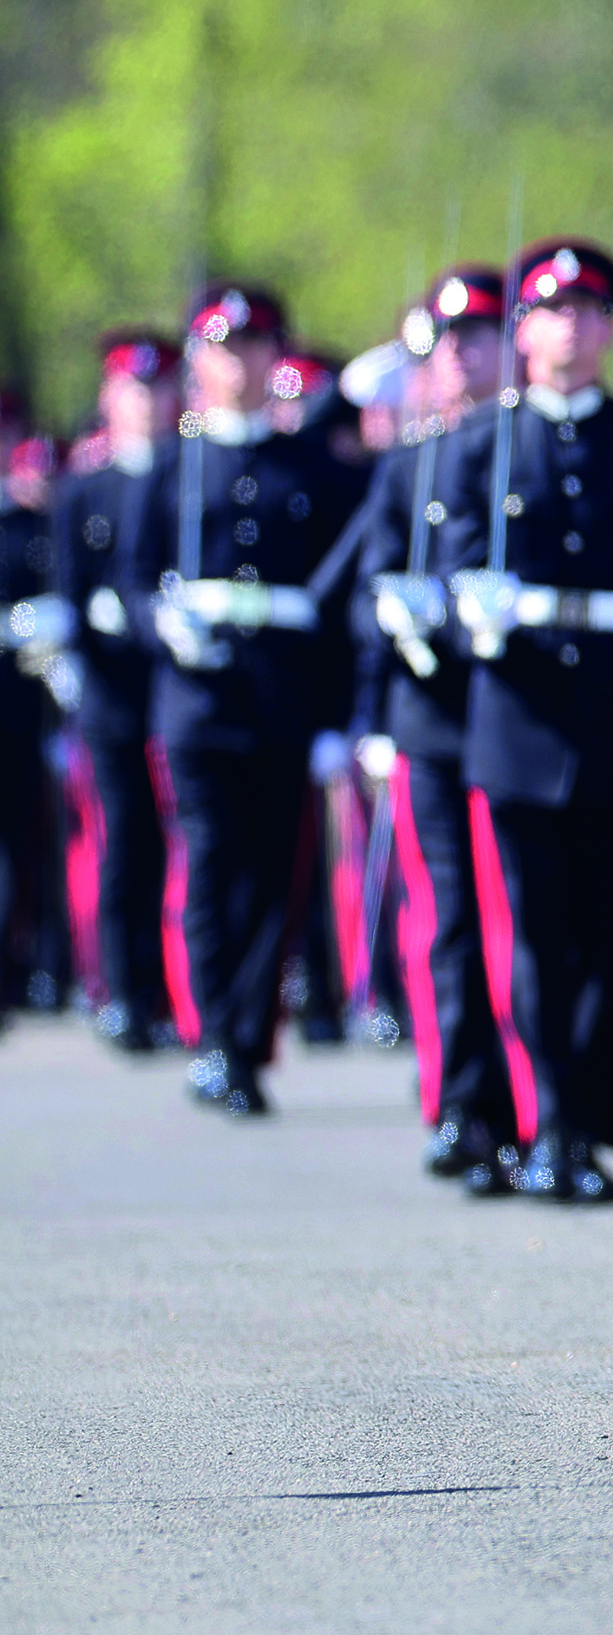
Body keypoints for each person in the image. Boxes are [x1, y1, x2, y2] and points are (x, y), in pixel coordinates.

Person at [428, 242, 613, 1200]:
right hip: (521, 718)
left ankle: (586, 1131)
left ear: (609, 328)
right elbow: (452, 568)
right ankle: (539, 1124)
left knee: (610, 933)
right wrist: (469, 605)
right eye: (552, 311)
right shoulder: (480, 445)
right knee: (533, 937)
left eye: (588, 312)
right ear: (522, 329)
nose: (570, 329)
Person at [116, 285, 355, 1118]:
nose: (237, 363)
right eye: (221, 347)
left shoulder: (310, 469)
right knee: (212, 865)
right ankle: (213, 1033)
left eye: (253, 347)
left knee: (272, 875)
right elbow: (135, 581)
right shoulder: (174, 467)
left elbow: (335, 593)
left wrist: (334, 717)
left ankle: (251, 1038)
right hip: (197, 701)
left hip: (281, 700)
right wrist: (162, 626)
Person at [320, 268, 522, 1190]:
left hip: (518, 713)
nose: (460, 356)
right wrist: (389, 626)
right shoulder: (408, 462)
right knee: (443, 919)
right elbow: (355, 596)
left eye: (478, 336)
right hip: (429, 718)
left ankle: (525, 1109)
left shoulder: (527, 444)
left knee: (514, 916)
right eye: (443, 344)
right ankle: (458, 1105)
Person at [53, 331, 177, 1054]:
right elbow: (71, 595)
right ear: (110, 397)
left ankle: (174, 994)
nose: (147, 402)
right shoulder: (84, 489)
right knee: (126, 842)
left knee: (181, 847)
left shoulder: (185, 475)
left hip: (178, 688)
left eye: (159, 388)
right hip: (113, 695)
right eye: (134, 388)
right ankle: (126, 990)